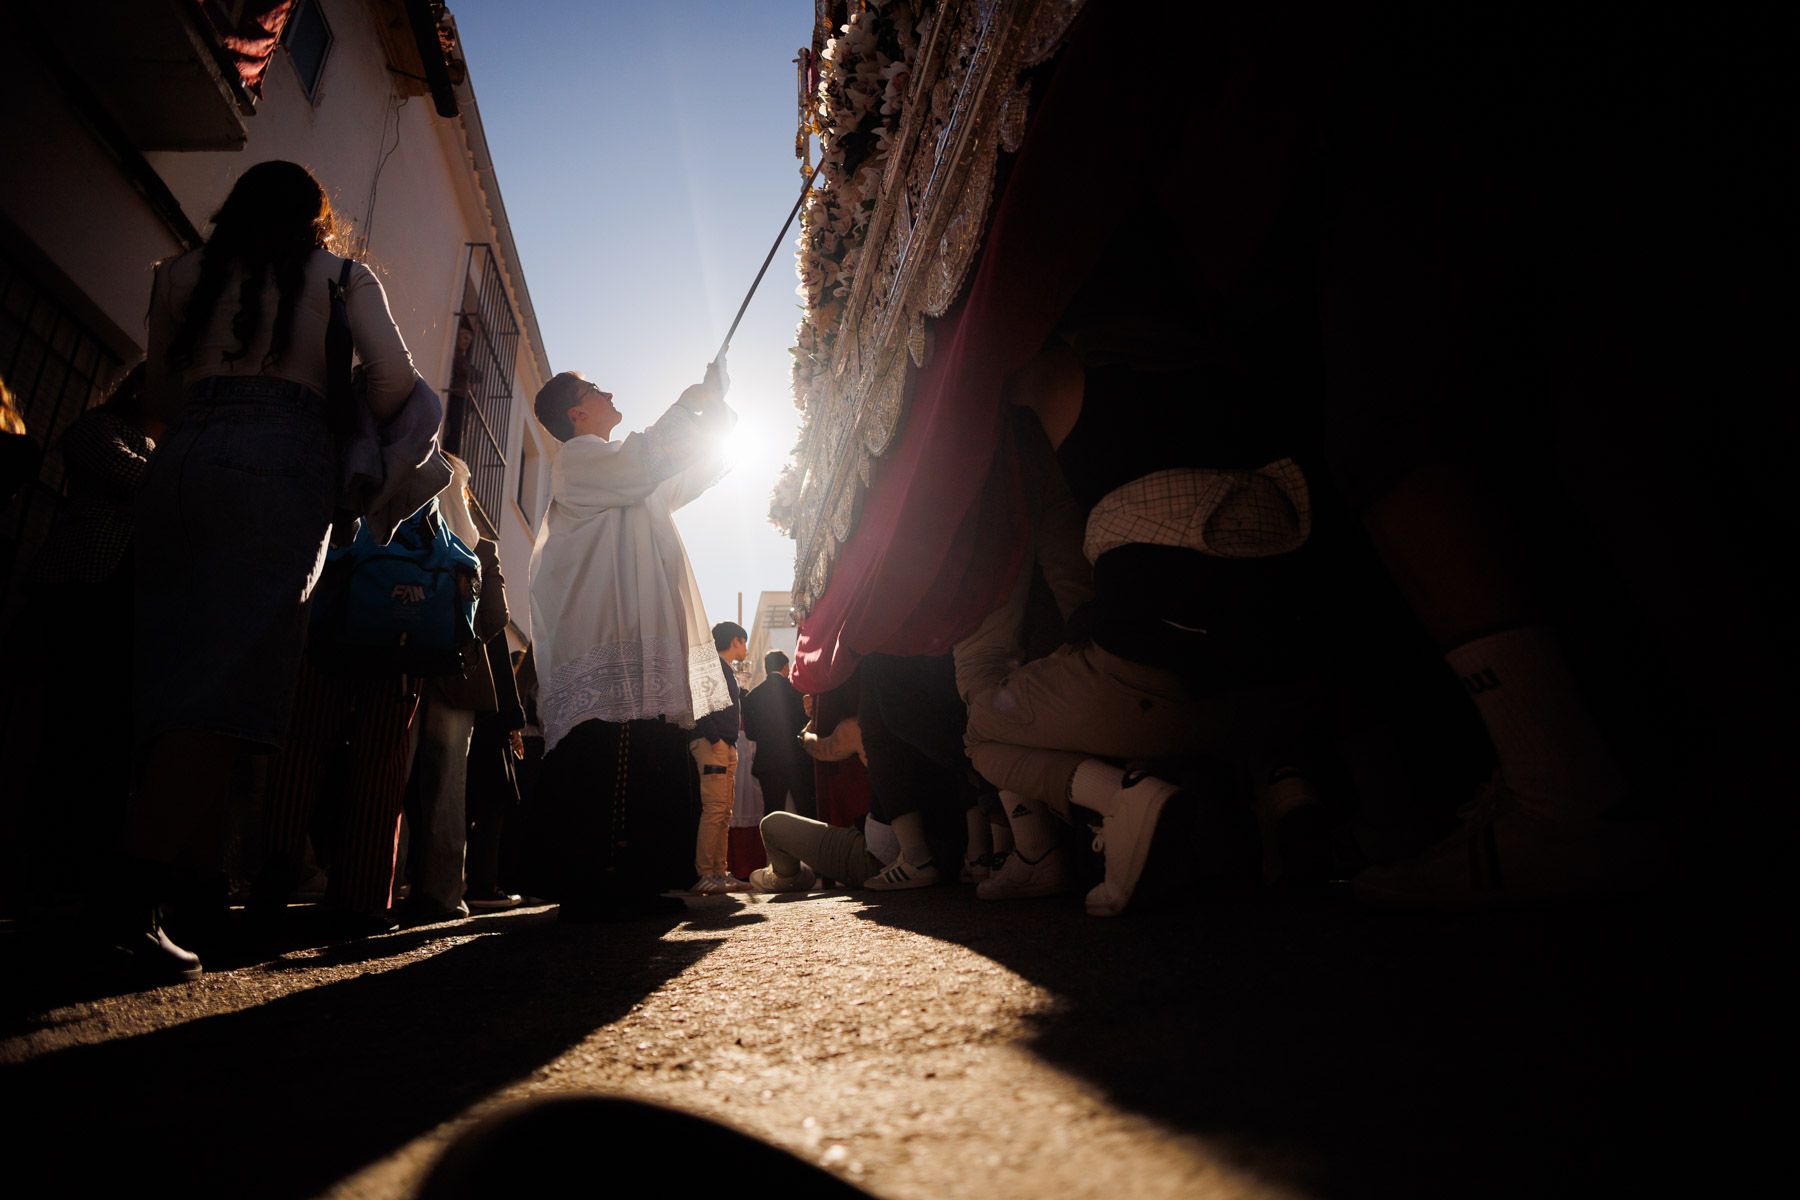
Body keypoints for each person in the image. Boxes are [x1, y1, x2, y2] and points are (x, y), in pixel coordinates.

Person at [121, 160, 422, 980]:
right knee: (228, 687)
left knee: (167, 669)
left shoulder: (181, 272)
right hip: (279, 462)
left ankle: (187, 893)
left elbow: (160, 392)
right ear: (316, 218)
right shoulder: (339, 277)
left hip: (183, 461)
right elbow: (396, 382)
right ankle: (133, 905)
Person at [520, 362, 734, 918]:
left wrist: (715, 411)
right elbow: (649, 459)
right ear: (576, 412)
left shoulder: (627, 472)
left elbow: (689, 471)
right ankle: (599, 872)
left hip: (638, 627)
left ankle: (641, 871)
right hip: (605, 630)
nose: (610, 391)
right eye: (595, 390)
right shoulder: (582, 458)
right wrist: (689, 404)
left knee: (645, 742)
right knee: (608, 745)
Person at [690, 621, 752, 894]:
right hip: (713, 744)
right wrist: (714, 739)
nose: (745, 648)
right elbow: (700, 705)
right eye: (744, 641)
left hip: (725, 744)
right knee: (715, 810)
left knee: (724, 812)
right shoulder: (713, 666)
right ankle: (706, 873)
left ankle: (719, 871)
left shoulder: (723, 668)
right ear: (736, 640)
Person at [742, 649, 816, 820]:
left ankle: (773, 847)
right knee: (807, 811)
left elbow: (751, 734)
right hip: (798, 761)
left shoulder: (752, 696)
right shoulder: (798, 692)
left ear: (766, 668)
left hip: (768, 763)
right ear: (785, 667)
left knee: (772, 813)